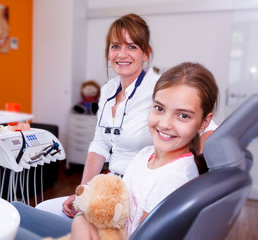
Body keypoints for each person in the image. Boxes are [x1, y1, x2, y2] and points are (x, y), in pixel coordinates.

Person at [12, 62, 219, 239]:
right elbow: (116, 208)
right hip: (100, 232)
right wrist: (83, 216)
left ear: (204, 123)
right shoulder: (144, 155)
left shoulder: (174, 178)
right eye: (159, 108)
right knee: (15, 209)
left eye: (183, 115)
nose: (165, 124)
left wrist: (80, 222)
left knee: (4, 231)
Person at [56, 13, 216, 218]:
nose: (122, 54)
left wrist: (187, 178)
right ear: (108, 53)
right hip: (109, 187)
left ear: (146, 53)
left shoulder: (160, 87)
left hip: (140, 193)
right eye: (115, 46)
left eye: (132, 46)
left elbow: (208, 128)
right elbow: (100, 144)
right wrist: (83, 192)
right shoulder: (107, 90)